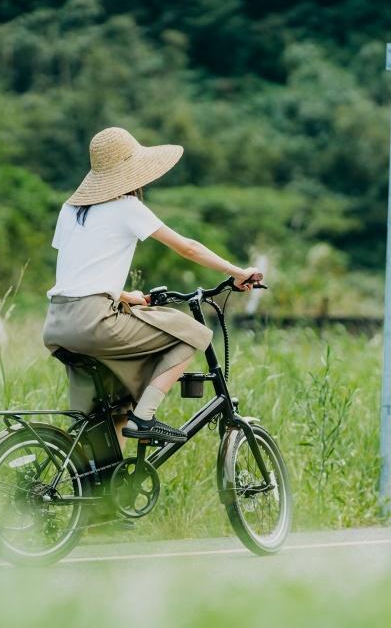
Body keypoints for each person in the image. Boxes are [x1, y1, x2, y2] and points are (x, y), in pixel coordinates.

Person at [43, 127, 261, 445]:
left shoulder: (71, 210)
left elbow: (76, 270)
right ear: (130, 171)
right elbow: (187, 247)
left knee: (109, 410)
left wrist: (123, 295)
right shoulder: (125, 207)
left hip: (57, 324)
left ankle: (103, 489)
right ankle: (145, 419)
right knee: (193, 333)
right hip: (93, 321)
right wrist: (237, 272)